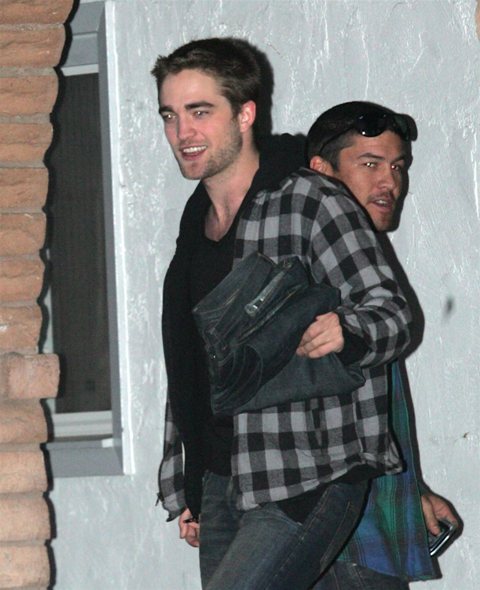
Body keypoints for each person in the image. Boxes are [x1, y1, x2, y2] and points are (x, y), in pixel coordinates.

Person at [153, 37, 413, 590]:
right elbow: (191, 364)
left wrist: (347, 330)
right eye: (170, 115)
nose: (183, 132)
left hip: (308, 471)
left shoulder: (310, 201)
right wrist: (188, 483)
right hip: (222, 482)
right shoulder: (194, 227)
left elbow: (393, 314)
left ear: (245, 114)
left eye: (200, 112)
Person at [301, 102, 459, 588]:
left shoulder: (364, 264)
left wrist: (409, 487)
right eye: (369, 164)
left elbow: (362, 408)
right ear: (321, 172)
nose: (389, 182)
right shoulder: (306, 261)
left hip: (373, 525)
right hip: (341, 536)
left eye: (397, 166)